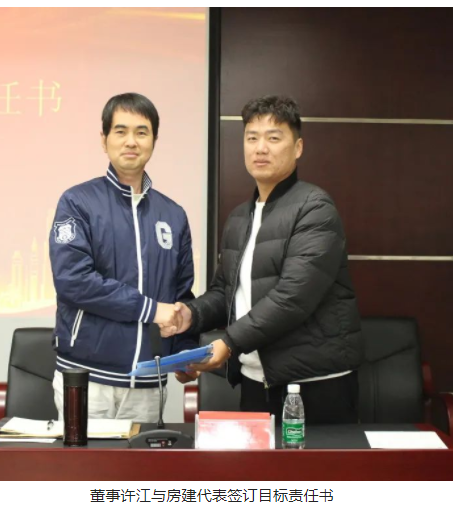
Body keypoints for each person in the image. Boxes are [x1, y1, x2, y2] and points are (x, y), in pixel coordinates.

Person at [170, 95, 363, 424]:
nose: (260, 148)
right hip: (256, 379)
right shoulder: (239, 217)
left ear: (298, 147)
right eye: (252, 138)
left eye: (273, 138)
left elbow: (293, 297)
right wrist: (191, 314)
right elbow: (225, 292)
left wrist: (228, 343)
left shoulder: (315, 208)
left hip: (315, 384)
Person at [49, 92, 197, 422]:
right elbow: (73, 281)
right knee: (83, 458)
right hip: (87, 378)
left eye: (142, 132)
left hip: (148, 381)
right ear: (104, 140)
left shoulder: (173, 215)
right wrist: (151, 310)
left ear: (154, 141)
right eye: (121, 131)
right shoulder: (77, 202)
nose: (131, 141)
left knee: (142, 459)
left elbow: (181, 294)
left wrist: (184, 350)